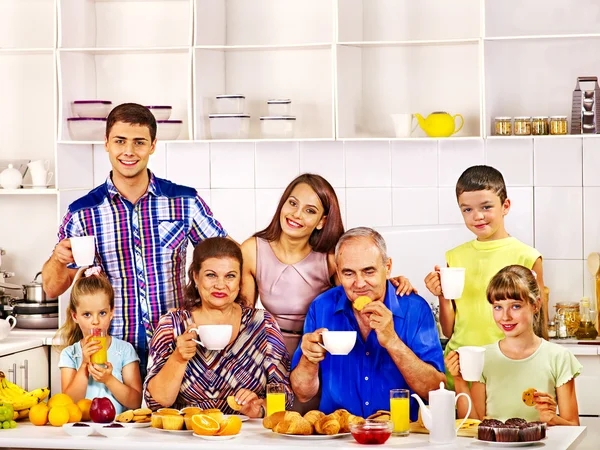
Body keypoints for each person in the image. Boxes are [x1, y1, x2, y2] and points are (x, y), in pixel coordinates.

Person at [42, 103, 227, 377]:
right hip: (111, 351)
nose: (129, 151)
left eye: (139, 142)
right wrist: (59, 259)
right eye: (120, 141)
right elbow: (53, 287)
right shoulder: (83, 212)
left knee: (173, 420)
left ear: (152, 145)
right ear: (106, 143)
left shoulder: (184, 202)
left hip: (175, 348)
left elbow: (226, 256)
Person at [241, 173, 414, 358]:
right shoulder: (252, 250)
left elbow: (359, 295)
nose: (296, 214)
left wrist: (388, 283)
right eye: (292, 203)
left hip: (318, 353)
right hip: (267, 352)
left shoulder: (330, 258)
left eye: (310, 211)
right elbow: (243, 315)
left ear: (321, 221)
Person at [290, 227, 445, 420]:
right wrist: (309, 359)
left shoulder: (415, 309)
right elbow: (303, 393)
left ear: (387, 267)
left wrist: (393, 342)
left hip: (399, 435)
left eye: (368, 271)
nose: (360, 283)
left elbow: (435, 391)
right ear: (338, 272)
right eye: (348, 273)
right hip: (337, 434)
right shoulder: (321, 307)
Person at [424, 165, 546, 389]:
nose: (477, 216)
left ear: (505, 206)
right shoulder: (455, 256)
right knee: (465, 423)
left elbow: (539, 327)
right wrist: (442, 295)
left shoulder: (527, 257)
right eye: (467, 210)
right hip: (461, 366)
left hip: (508, 368)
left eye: (486, 207)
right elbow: (450, 330)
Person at [144, 237, 292, 417]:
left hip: (247, 439)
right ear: (196, 277)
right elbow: (156, 402)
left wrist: (260, 407)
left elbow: (285, 396)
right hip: (189, 437)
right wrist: (178, 359)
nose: (220, 285)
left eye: (230, 276)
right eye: (211, 275)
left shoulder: (263, 324)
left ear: (239, 281)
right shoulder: (172, 325)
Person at [447, 265, 581, 425]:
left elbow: (574, 427)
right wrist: (459, 381)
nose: (505, 316)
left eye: (515, 306)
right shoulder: (484, 357)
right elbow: (472, 425)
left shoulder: (559, 357)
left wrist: (552, 418)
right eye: (498, 307)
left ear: (536, 305)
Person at [56, 267, 142, 413]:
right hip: (82, 427)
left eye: (102, 313)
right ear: (75, 316)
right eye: (87, 314)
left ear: (111, 313)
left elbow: (135, 402)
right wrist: (84, 364)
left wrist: (109, 380)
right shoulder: (70, 354)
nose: (95, 321)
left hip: (116, 428)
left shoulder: (125, 350)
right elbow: (69, 402)